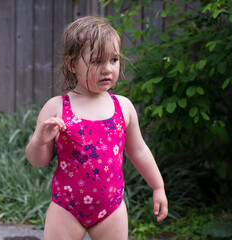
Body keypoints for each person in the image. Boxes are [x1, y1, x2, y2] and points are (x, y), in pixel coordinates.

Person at [25, 16, 168, 240]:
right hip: (67, 207)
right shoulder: (57, 107)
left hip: (111, 208)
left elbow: (139, 150)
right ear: (72, 64)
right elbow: (38, 160)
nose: (107, 69)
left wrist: (158, 187)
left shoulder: (123, 107)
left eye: (113, 59)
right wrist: (40, 141)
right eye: (96, 61)